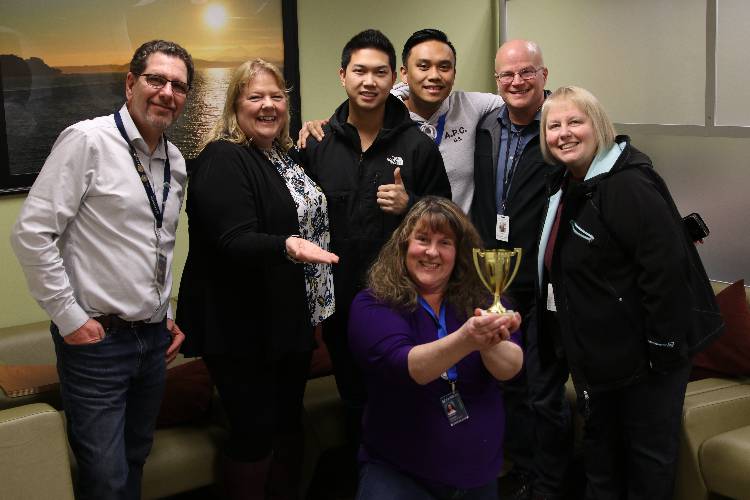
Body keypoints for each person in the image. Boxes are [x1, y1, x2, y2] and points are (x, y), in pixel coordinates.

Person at [10, 40, 193, 500]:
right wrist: (70, 319)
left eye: (178, 85)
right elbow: (32, 233)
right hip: (98, 347)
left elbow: (154, 244)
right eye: (156, 79)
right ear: (131, 83)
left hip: (151, 341)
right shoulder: (88, 140)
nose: (166, 92)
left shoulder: (175, 161)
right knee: (105, 478)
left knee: (135, 459)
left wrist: (163, 310)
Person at [537, 86, 723, 500]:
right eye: (553, 126)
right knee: (601, 462)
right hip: (599, 359)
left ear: (598, 127)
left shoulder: (627, 185)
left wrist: (662, 347)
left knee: (646, 468)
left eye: (575, 122)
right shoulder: (567, 184)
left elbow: (666, 271)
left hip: (647, 362)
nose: (563, 133)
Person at [298, 28, 452, 496]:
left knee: (403, 395)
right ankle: (362, 481)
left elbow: (446, 223)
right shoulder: (316, 142)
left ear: (394, 79)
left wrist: (412, 204)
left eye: (380, 72)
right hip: (338, 305)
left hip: (399, 303)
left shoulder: (418, 145)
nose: (369, 81)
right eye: (359, 71)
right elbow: (295, 217)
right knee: (352, 401)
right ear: (343, 75)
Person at [175, 59, 338, 500]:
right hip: (241, 327)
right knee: (254, 434)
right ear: (235, 106)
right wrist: (288, 246)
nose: (268, 106)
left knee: (286, 426)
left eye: (277, 97)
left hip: (287, 320)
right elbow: (233, 240)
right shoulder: (221, 157)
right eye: (255, 97)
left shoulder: (281, 158)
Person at [349, 196, 523, 500]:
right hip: (400, 473)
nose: (432, 252)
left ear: (459, 253)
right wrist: (467, 339)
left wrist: (489, 342)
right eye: (423, 239)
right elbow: (408, 366)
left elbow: (510, 368)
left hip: (477, 475)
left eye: (445, 242)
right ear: (403, 244)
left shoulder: (483, 298)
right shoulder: (374, 303)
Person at [471, 40, 570, 500]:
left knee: (545, 392)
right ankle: (524, 472)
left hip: (549, 284)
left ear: (544, 75)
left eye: (526, 73)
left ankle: (550, 486)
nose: (516, 82)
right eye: (506, 75)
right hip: (499, 281)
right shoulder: (488, 125)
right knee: (508, 383)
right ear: (496, 81)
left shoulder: (561, 129)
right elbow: (408, 96)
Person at [299, 28, 502, 215]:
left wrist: (410, 204)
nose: (434, 76)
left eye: (444, 67)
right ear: (403, 74)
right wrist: (328, 126)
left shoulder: (427, 138)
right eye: (423, 66)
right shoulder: (321, 141)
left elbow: (517, 98)